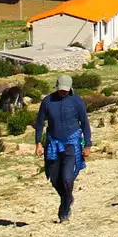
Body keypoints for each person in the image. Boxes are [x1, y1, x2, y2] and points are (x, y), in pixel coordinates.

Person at [33, 75, 91, 223]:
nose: (63, 92)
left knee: (67, 178)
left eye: (66, 90)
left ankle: (64, 210)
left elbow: (84, 123)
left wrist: (88, 145)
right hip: (53, 143)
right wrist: (38, 142)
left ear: (70, 88)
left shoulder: (76, 101)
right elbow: (40, 123)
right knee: (54, 179)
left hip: (71, 143)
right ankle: (68, 198)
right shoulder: (47, 101)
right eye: (61, 90)